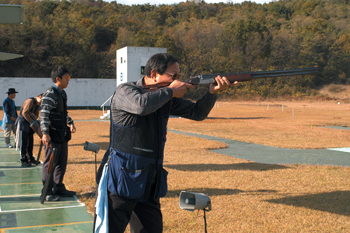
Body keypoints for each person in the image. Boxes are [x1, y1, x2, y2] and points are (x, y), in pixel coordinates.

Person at [94, 53, 237, 232]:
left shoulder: (165, 97)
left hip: (149, 181)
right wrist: (170, 91)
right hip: (121, 179)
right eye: (173, 75)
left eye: (179, 75)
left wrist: (212, 92)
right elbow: (140, 106)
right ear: (154, 74)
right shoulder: (126, 91)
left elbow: (197, 113)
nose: (178, 79)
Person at [39, 65, 76, 201]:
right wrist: (45, 133)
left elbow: (62, 113)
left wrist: (70, 122)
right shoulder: (50, 93)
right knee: (50, 163)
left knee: (61, 162)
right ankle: (47, 191)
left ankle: (58, 187)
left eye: (69, 77)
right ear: (57, 79)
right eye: (66, 78)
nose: (68, 80)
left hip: (62, 134)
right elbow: (43, 114)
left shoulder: (62, 93)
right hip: (52, 135)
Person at [19, 93, 43, 167]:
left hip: (30, 124)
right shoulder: (30, 101)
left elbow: (36, 114)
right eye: (42, 100)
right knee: (24, 142)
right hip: (24, 123)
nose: (41, 102)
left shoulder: (38, 104)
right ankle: (24, 159)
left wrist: (34, 117)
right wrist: (31, 121)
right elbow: (24, 113)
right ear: (39, 97)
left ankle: (30, 158)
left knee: (30, 142)